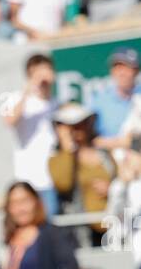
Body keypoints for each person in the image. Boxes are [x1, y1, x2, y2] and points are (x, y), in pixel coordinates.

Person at [0, 53, 60, 216]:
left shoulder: (56, 103)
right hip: (29, 178)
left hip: (53, 178)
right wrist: (29, 89)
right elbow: (9, 120)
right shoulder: (16, 98)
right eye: (37, 72)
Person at [48, 101, 116, 241]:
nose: (78, 129)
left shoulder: (104, 153)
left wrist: (112, 188)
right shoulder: (57, 158)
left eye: (82, 123)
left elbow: (121, 180)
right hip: (81, 231)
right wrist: (67, 145)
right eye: (71, 125)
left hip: (113, 227)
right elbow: (63, 184)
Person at [92, 46, 140, 149]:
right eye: (118, 68)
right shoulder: (99, 101)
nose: (122, 73)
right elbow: (89, 139)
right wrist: (123, 143)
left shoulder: (139, 97)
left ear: (136, 71)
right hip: (110, 160)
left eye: (127, 67)